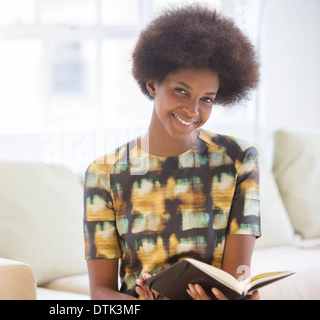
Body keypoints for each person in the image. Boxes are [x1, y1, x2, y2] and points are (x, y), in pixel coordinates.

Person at [83, 4, 261, 300]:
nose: (193, 110)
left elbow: (236, 279)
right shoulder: (104, 174)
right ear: (152, 84)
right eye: (181, 90)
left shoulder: (239, 160)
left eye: (206, 99)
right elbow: (101, 293)